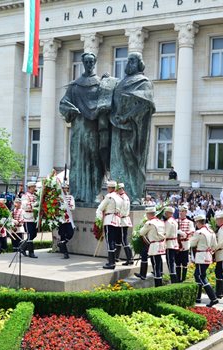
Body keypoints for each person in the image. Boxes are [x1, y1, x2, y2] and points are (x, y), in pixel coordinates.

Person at [59, 52, 109, 203]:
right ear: (82, 63)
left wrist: (109, 84)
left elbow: (107, 101)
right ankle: (78, 193)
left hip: (94, 128)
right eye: (86, 62)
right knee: (78, 160)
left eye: (91, 62)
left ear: (95, 63)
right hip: (79, 128)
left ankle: (94, 193)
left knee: (94, 160)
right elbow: (63, 102)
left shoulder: (101, 83)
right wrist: (70, 109)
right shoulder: (75, 85)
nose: (88, 64)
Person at [108, 52, 155, 203]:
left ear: (140, 64)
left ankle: (134, 195)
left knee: (132, 161)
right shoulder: (121, 82)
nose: (129, 64)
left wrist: (127, 116)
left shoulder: (144, 82)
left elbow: (145, 104)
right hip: (117, 126)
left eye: (132, 61)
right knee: (117, 161)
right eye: (128, 61)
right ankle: (117, 193)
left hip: (133, 129)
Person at [190, 214, 218, 307]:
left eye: (196, 223)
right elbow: (215, 246)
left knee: (199, 276)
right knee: (201, 275)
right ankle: (198, 297)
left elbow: (192, 243)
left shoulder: (199, 232)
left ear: (198, 222)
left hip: (201, 256)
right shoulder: (211, 231)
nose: (196, 224)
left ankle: (213, 298)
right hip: (208, 256)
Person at [135, 207, 166, 287]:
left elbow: (141, 233)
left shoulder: (149, 223)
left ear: (148, 214)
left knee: (156, 266)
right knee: (158, 264)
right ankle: (159, 284)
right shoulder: (161, 222)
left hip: (154, 245)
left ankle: (158, 286)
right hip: (161, 244)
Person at [96, 180, 123, 269]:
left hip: (109, 220)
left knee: (110, 242)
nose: (107, 189)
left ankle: (111, 263)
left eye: (107, 187)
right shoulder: (119, 197)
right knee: (114, 241)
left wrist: (99, 221)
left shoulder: (109, 196)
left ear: (110, 188)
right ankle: (113, 260)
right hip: (117, 221)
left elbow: (100, 208)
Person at [114, 182, 134, 265]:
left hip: (122, 220)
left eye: (117, 189)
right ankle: (116, 257)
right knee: (118, 239)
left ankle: (130, 258)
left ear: (120, 189)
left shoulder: (123, 198)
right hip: (120, 220)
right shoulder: (123, 197)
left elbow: (122, 210)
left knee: (123, 240)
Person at [19, 182, 39, 258]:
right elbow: (24, 206)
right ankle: (31, 253)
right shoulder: (25, 196)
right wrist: (34, 204)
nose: (34, 188)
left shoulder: (36, 196)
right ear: (29, 188)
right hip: (27, 217)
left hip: (34, 217)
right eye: (33, 187)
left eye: (34, 186)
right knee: (30, 234)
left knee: (34, 234)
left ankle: (22, 247)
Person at [57, 182, 76, 259]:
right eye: (63, 188)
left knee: (70, 233)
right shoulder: (58, 197)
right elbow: (58, 208)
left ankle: (62, 243)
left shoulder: (70, 197)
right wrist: (64, 206)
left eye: (66, 188)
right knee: (62, 234)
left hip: (68, 218)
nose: (65, 190)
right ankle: (65, 253)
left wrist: (64, 205)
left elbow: (72, 207)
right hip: (61, 218)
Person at [176, 205, 195, 282]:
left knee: (184, 263)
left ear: (186, 212)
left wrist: (183, 233)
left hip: (185, 243)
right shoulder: (176, 221)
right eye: (180, 211)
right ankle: (177, 278)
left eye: (183, 211)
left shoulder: (189, 222)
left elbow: (192, 231)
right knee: (177, 262)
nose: (181, 213)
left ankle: (183, 278)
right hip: (177, 244)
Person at [163, 207, 180, 284]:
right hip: (174, 243)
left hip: (169, 244)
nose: (165, 214)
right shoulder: (174, 221)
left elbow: (166, 234)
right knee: (172, 262)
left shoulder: (168, 222)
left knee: (170, 263)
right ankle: (174, 279)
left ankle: (174, 280)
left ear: (169, 213)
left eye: (166, 212)